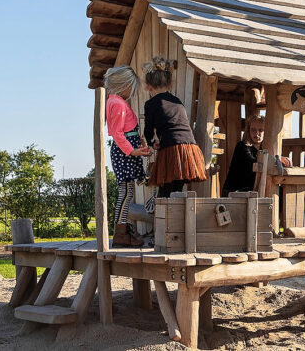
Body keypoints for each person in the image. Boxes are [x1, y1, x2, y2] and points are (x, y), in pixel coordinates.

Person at [143, 57, 208, 198]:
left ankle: (164, 219)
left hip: (171, 149)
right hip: (190, 149)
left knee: (165, 195)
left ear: (148, 85)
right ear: (169, 83)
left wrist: (152, 143)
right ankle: (179, 218)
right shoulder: (177, 101)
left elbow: (148, 131)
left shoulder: (150, 104)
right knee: (177, 191)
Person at [104, 65, 151, 247]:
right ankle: (120, 232)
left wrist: (137, 146)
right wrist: (132, 151)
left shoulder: (115, 102)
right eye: (130, 87)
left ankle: (121, 230)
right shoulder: (117, 104)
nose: (131, 92)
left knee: (127, 191)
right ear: (123, 85)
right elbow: (117, 133)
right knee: (125, 192)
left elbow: (125, 131)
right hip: (124, 153)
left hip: (126, 151)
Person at [221, 115, 265, 196]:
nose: (257, 133)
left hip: (249, 192)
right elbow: (252, 163)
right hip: (233, 192)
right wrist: (273, 160)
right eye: (253, 130)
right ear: (248, 131)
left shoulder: (265, 149)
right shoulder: (242, 146)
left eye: (260, 130)